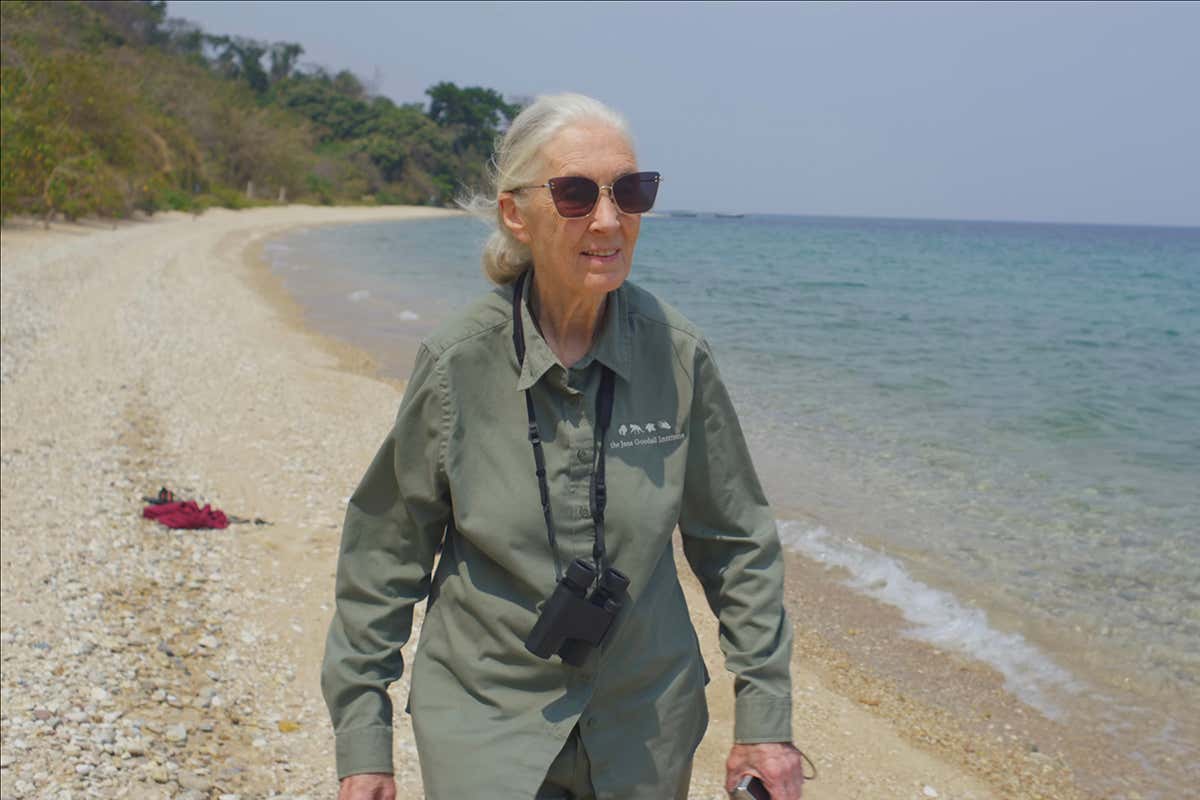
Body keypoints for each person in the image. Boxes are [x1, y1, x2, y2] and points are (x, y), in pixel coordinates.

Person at [322, 92, 807, 800]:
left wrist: (766, 720)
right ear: (515, 213)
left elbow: (736, 542)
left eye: (630, 192)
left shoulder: (677, 356)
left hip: (646, 723)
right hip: (486, 722)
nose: (609, 220)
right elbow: (385, 557)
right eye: (576, 195)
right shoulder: (458, 363)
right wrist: (364, 746)